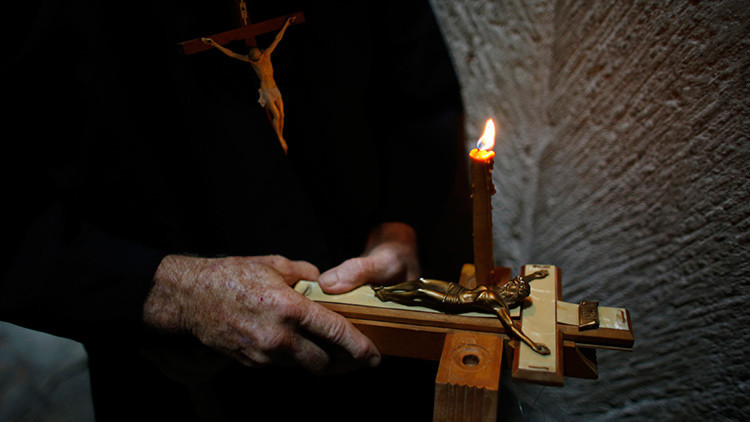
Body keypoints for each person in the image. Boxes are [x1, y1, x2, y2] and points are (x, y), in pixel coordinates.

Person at [1, 1, 469, 420]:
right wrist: (168, 292)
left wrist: (400, 226)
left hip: (378, 338)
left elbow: (416, 89)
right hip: (181, 371)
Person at [373, 270, 552, 355]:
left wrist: (532, 344)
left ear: (515, 294)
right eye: (512, 282)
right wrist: (533, 276)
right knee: (422, 281)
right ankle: (387, 288)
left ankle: (387, 296)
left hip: (454, 301)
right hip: (457, 288)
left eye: (513, 285)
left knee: (420, 294)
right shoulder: (501, 291)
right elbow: (519, 282)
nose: (510, 283)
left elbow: (511, 327)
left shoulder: (499, 304)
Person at [201, 16, 296, 153]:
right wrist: (214, 44)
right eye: (254, 60)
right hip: (265, 90)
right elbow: (232, 54)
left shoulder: (267, 54)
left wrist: (287, 23)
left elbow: (277, 39)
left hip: (274, 87)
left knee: (282, 113)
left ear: (260, 54)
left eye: (257, 59)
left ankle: (281, 136)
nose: (256, 62)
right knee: (276, 114)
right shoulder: (250, 60)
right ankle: (280, 138)